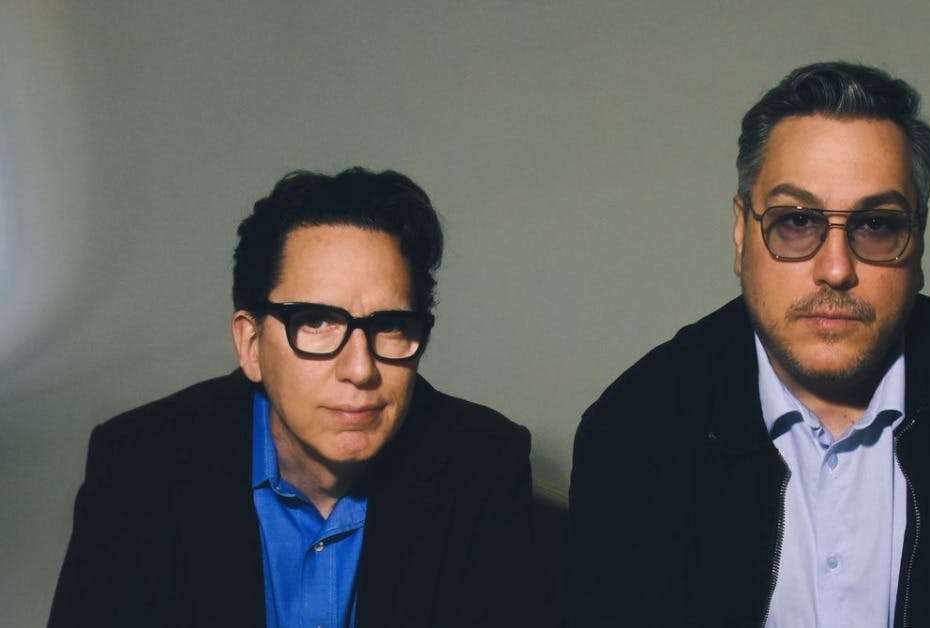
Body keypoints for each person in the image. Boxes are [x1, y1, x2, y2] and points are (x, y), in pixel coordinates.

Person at [569, 62, 930, 627]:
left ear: (918, 239)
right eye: (797, 221)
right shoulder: (636, 425)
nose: (835, 269)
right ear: (741, 233)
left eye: (876, 225)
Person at [50, 167, 556, 627]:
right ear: (251, 344)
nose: (360, 369)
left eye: (390, 326)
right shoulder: (139, 466)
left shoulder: (483, 463)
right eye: (315, 322)